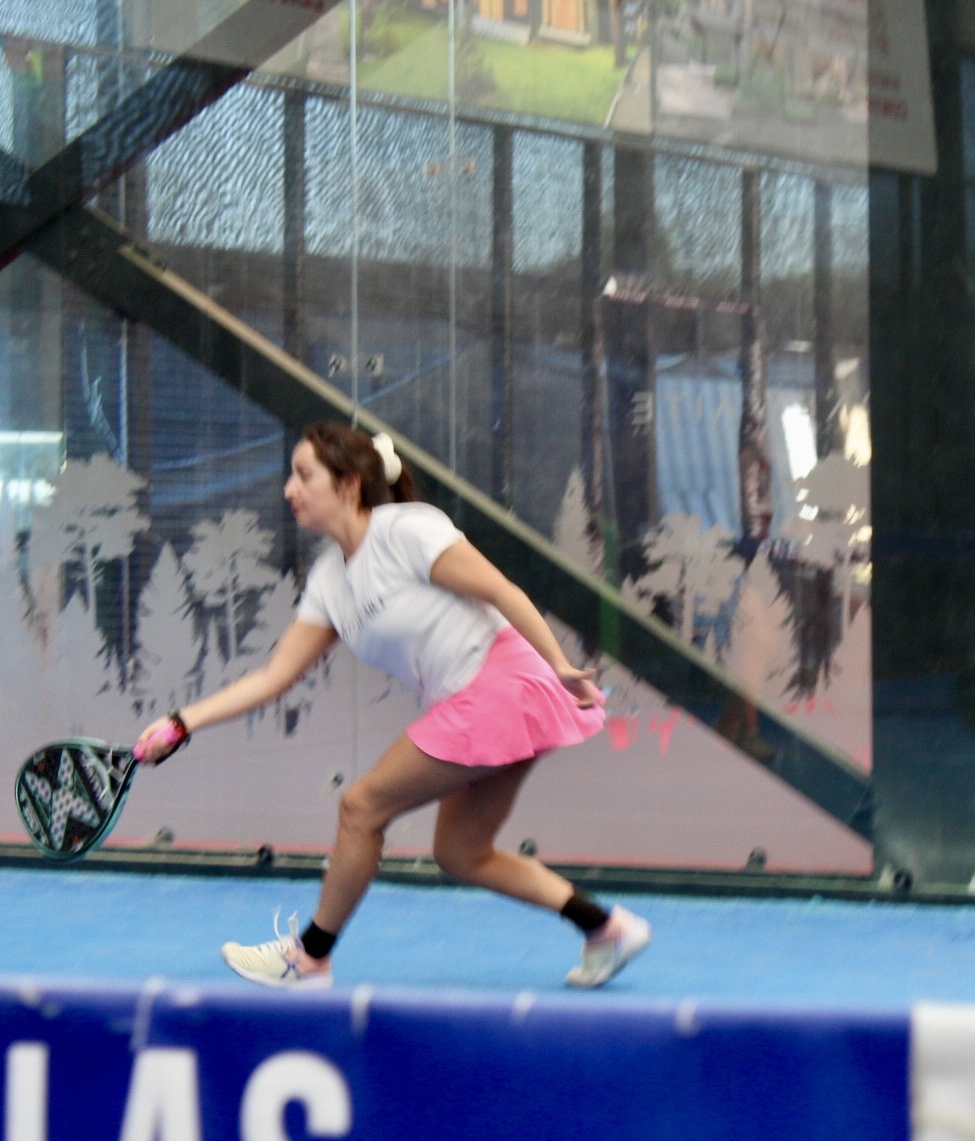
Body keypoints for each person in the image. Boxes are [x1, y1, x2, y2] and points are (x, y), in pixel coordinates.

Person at [136, 421, 650, 990]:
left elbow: (500, 590)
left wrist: (557, 663)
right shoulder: (330, 581)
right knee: (461, 852)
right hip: (483, 699)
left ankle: (308, 958)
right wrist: (183, 722)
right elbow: (275, 676)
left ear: (349, 484)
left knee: (361, 808)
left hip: (501, 684)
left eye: (304, 475)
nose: (289, 488)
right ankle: (605, 928)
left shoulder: (406, 530)